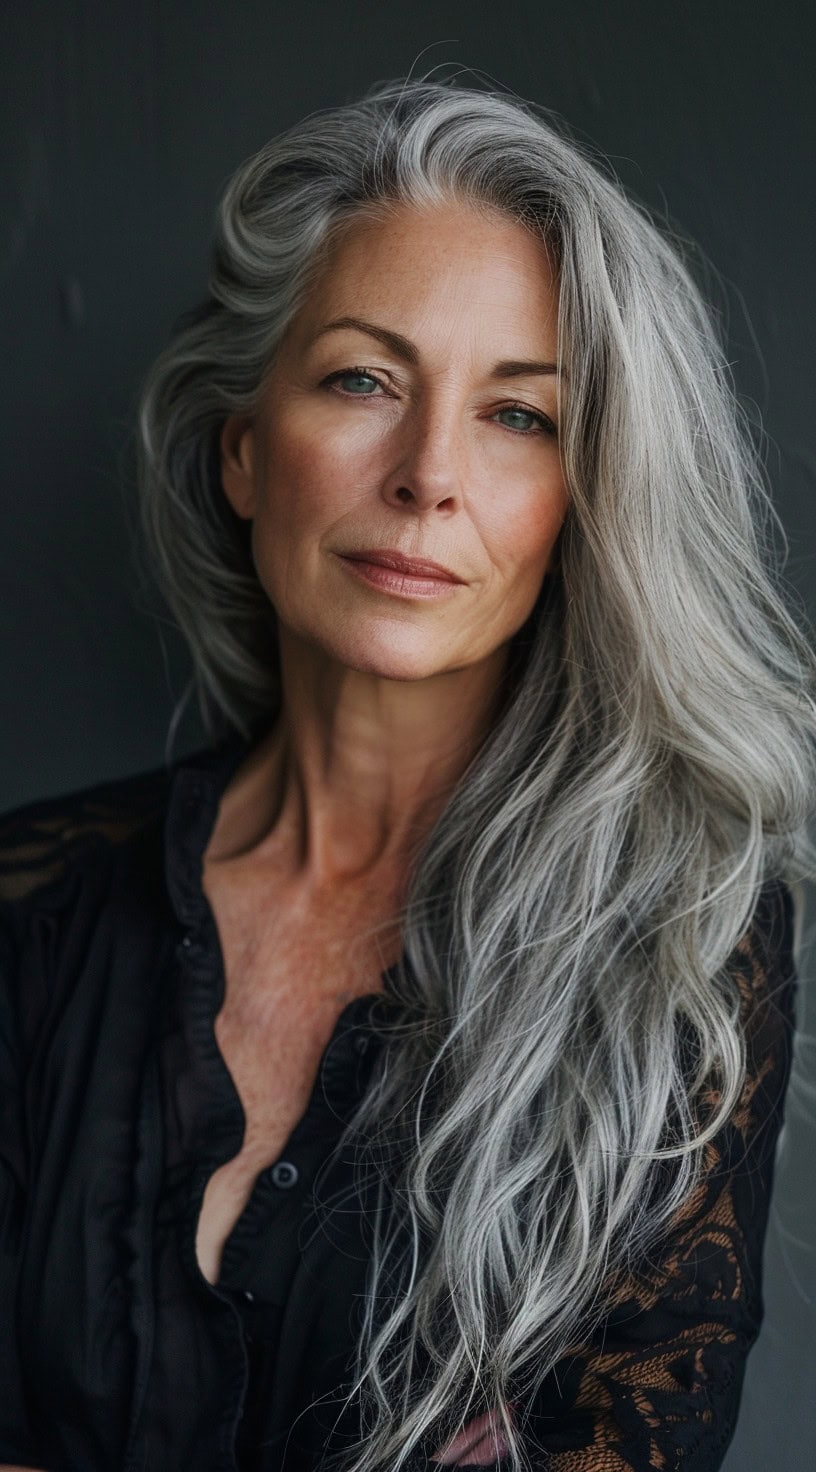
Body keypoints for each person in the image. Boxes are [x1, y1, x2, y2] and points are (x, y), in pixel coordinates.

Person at [0, 75, 814, 1472]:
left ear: (585, 503)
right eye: (364, 379)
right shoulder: (31, 912)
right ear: (245, 452)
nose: (430, 474)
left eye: (520, 416)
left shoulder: (677, 944)